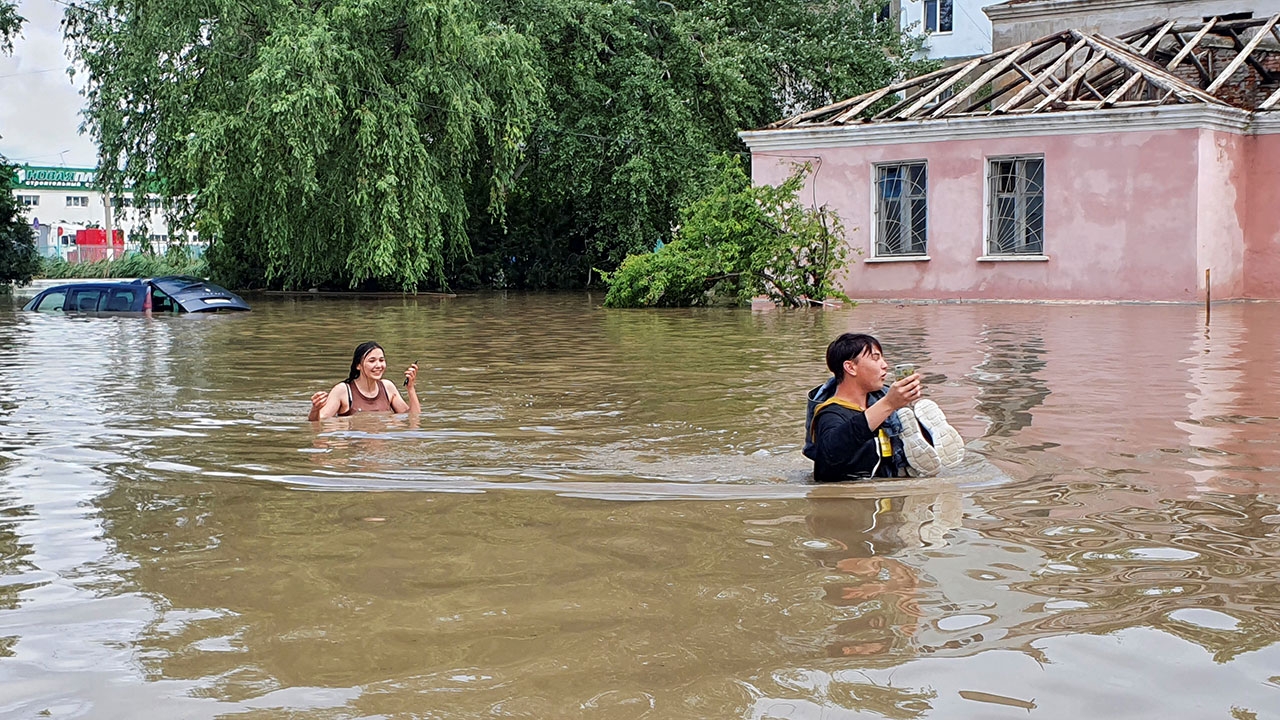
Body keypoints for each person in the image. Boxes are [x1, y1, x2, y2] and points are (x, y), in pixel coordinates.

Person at [308, 341, 421, 420]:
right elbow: (319, 422)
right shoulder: (343, 391)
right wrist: (315, 409)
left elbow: (413, 418)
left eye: (381, 360)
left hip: (382, 448)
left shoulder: (387, 387)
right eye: (372, 361)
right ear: (358, 366)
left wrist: (410, 388)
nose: (378, 365)